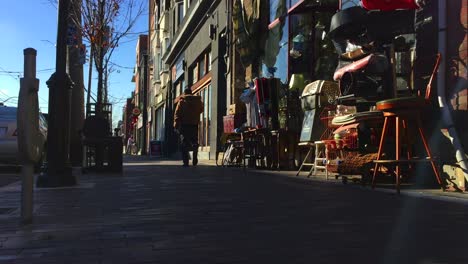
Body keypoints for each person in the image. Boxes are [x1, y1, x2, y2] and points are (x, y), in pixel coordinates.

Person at [174, 88, 204, 166]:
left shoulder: (182, 101)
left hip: (184, 124)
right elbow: (201, 109)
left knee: (184, 143)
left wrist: (176, 125)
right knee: (194, 140)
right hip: (194, 124)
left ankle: (186, 162)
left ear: (185, 93)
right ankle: (195, 155)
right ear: (191, 93)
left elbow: (177, 114)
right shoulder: (198, 101)